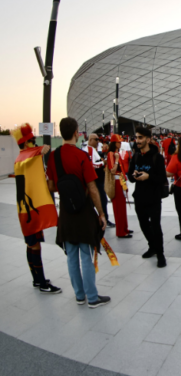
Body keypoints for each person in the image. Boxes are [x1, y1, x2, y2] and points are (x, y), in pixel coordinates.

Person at [46, 117, 110, 308]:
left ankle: (79, 295)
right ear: (76, 133)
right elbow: (92, 188)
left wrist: (67, 192)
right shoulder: (82, 156)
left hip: (66, 212)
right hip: (83, 212)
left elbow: (51, 185)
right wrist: (101, 213)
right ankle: (92, 297)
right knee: (86, 254)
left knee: (71, 256)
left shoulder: (53, 157)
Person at [11, 123, 61, 294]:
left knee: (30, 244)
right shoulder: (25, 158)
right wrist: (43, 148)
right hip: (29, 211)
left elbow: (33, 153)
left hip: (25, 210)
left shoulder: (20, 160)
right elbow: (34, 152)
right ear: (26, 144)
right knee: (35, 246)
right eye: (32, 140)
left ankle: (36, 279)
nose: (34, 142)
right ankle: (41, 283)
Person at [127, 127, 167, 268]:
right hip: (139, 197)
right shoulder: (136, 156)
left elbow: (162, 178)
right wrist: (133, 175)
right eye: (136, 137)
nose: (137, 140)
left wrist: (148, 176)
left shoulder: (157, 157)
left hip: (154, 198)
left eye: (140, 138)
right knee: (144, 225)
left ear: (149, 139)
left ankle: (160, 254)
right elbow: (130, 175)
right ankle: (152, 246)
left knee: (155, 226)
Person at [84, 133, 114, 228]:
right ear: (90, 140)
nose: (98, 141)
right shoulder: (89, 149)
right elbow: (92, 165)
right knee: (101, 200)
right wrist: (103, 163)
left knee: (101, 200)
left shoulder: (92, 149)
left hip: (97, 180)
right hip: (96, 180)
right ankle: (102, 218)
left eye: (98, 140)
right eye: (96, 139)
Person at [106, 135, 132, 239]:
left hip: (120, 181)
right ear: (114, 143)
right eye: (118, 142)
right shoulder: (111, 154)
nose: (120, 143)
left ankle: (124, 228)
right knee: (119, 207)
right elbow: (113, 170)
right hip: (116, 181)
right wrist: (116, 159)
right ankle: (121, 231)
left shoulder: (116, 153)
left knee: (122, 206)